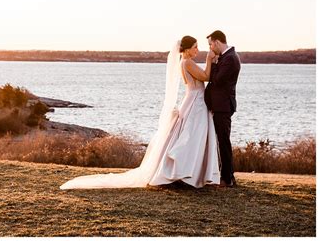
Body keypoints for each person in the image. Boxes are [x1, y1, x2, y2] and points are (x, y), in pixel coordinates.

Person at [60, 36, 220, 190]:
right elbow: (205, 76)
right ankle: (183, 173)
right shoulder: (187, 62)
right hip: (194, 102)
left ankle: (189, 174)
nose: (197, 50)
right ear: (186, 49)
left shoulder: (185, 62)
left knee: (191, 138)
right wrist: (209, 59)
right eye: (195, 47)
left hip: (193, 100)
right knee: (189, 138)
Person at [204, 30, 241, 187]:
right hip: (220, 105)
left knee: (223, 141)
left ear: (217, 42)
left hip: (223, 106)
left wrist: (211, 63)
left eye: (211, 44)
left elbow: (217, 79)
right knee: (222, 141)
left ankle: (226, 178)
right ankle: (228, 177)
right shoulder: (226, 57)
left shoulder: (230, 58)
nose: (211, 48)